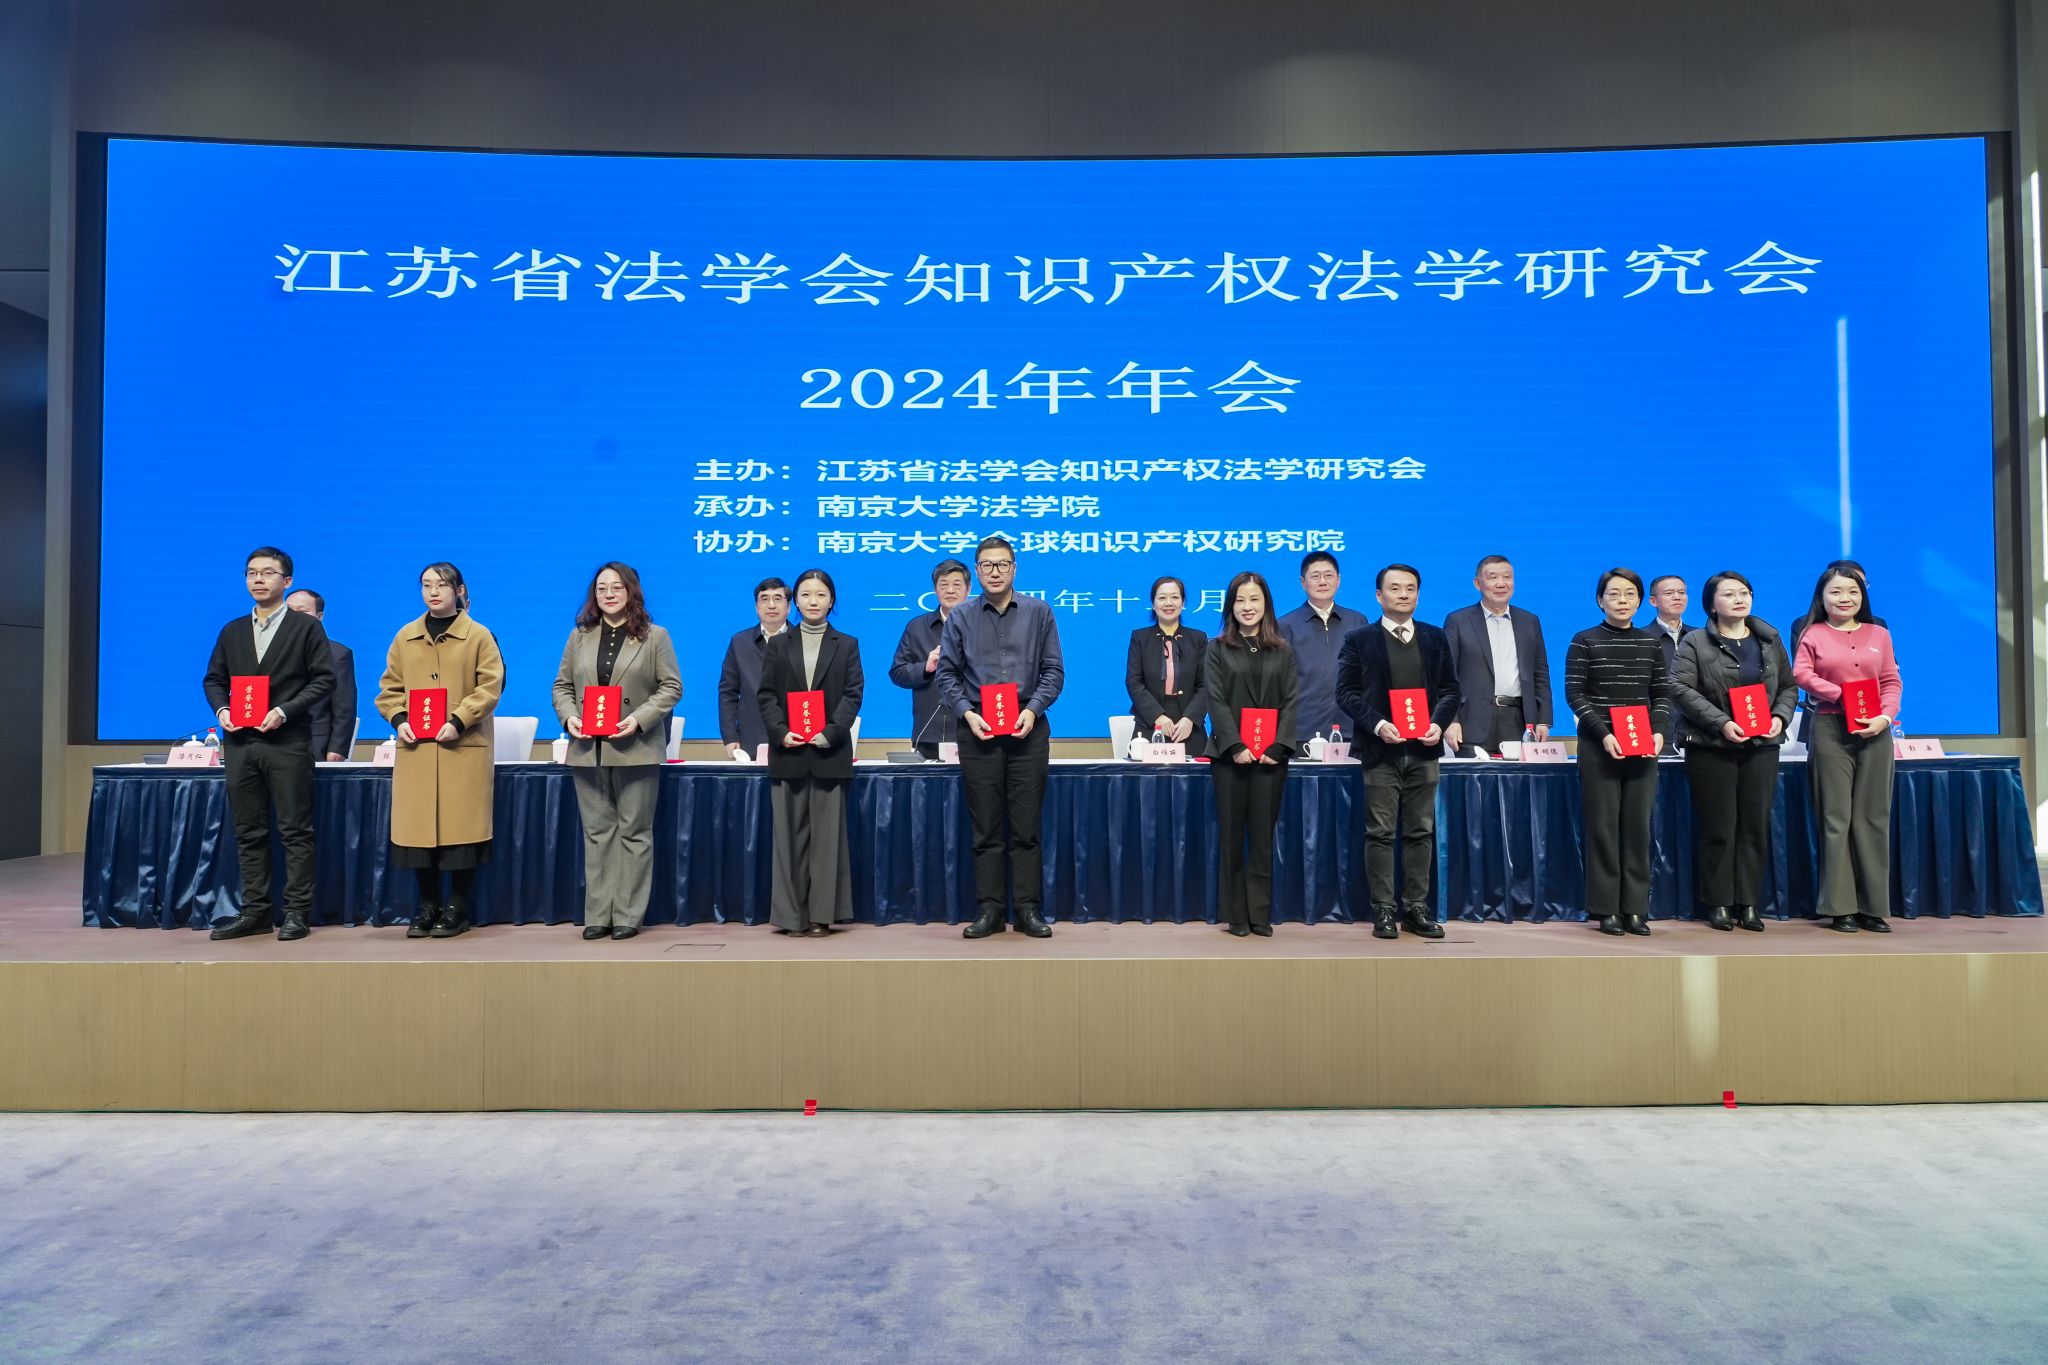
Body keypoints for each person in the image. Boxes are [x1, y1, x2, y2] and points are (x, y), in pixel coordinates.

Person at [201, 546, 335, 942]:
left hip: (287, 741)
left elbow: (324, 679)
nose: (258, 579)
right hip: (240, 742)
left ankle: (296, 912)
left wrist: (285, 710)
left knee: (295, 830)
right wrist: (223, 709)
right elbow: (214, 679)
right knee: (249, 830)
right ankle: (256, 911)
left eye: (267, 572)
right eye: (251, 573)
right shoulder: (232, 630)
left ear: (287, 581)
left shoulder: (306, 628)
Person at [936, 535, 1065, 939]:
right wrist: (967, 713)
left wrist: (1033, 709)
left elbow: (1053, 671)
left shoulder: (1039, 612)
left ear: (1014, 569)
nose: (995, 571)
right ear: (977, 570)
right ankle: (990, 910)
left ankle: (1027, 910)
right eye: (987, 565)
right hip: (978, 729)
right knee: (986, 828)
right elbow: (946, 675)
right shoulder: (961, 616)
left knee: (1026, 827)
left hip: (1028, 727)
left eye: (1002, 564)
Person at [551, 562, 683, 941]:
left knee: (634, 832)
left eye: (616, 587)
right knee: (597, 832)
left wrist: (639, 719)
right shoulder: (579, 636)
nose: (608, 594)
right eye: (601, 588)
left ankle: (627, 914)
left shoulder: (655, 636)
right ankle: (598, 914)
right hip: (587, 748)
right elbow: (561, 687)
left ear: (631, 592)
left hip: (635, 746)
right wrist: (569, 717)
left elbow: (671, 687)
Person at [376, 562, 505, 940]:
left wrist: (459, 720)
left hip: (461, 746)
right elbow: (389, 688)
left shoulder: (479, 635)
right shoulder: (405, 636)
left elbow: (490, 687)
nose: (433, 592)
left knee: (461, 833)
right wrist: (399, 718)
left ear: (460, 590)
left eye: (442, 585)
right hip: (417, 748)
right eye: (426, 585)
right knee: (418, 834)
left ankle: (457, 907)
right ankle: (427, 904)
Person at [1335, 564, 1462, 940]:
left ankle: (1417, 909)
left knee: (1421, 831)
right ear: (1379, 595)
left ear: (1418, 594)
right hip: (1380, 750)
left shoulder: (1435, 637)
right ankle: (1384, 910)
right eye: (1395, 588)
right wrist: (1377, 724)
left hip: (1424, 750)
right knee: (1380, 832)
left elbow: (1451, 690)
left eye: (1410, 588)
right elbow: (1345, 693)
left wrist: (1438, 723)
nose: (1403, 594)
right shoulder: (1359, 639)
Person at [1670, 571, 1796, 932]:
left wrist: (1780, 717)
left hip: (1761, 746)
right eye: (1728, 594)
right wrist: (1721, 722)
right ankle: (1719, 902)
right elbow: (1679, 687)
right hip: (1712, 746)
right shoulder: (1695, 641)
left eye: (1744, 592)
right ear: (1711, 604)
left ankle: (1749, 902)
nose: (1739, 599)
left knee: (1754, 825)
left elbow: (1788, 687)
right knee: (1719, 827)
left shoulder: (1769, 639)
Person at [1791, 564, 1902, 932]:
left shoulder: (1879, 634)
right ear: (1822, 597)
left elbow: (1891, 680)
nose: (1845, 598)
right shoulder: (1813, 633)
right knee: (1835, 818)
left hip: (1875, 732)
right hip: (1830, 726)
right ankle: (1841, 908)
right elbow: (1801, 673)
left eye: (1853, 591)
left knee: (1873, 817)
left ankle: (1873, 907)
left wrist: (1885, 716)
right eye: (1836, 592)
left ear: (1862, 595)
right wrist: (1841, 695)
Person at [757, 568, 865, 936]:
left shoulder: (846, 644)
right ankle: (792, 917)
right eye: (805, 595)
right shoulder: (778, 644)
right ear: (795, 602)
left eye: (820, 595)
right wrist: (780, 731)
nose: (813, 601)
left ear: (832, 600)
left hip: (828, 754)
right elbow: (766, 695)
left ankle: (821, 915)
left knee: (826, 842)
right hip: (788, 753)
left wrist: (829, 733)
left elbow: (853, 695)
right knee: (789, 840)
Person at [1564, 568, 1671, 936]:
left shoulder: (1650, 643)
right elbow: (1575, 693)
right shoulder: (1584, 640)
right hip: (1600, 748)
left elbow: (1661, 693)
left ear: (1640, 601)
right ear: (1600, 600)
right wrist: (1604, 734)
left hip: (1642, 747)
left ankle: (1635, 909)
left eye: (1629, 594)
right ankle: (1606, 908)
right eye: (1613, 594)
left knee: (1638, 828)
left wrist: (1658, 731)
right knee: (1604, 828)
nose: (1622, 601)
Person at [1207, 571, 1300, 937]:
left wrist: (1278, 745)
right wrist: (1235, 745)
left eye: (1254, 599)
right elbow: (1215, 700)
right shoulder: (1217, 648)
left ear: (1266, 604)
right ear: (1230, 606)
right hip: (1230, 758)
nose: (1247, 607)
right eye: (1240, 600)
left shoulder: (1282, 649)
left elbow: (1291, 699)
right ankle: (1236, 915)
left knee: (1263, 836)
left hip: (1271, 758)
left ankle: (1260, 914)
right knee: (1232, 835)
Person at [1442, 554, 1554, 755]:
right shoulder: (1458, 621)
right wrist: (1451, 719)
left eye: (1507, 577)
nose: (1501, 583)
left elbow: (1540, 673)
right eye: (1493, 577)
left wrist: (1543, 720)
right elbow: (1446, 676)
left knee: (1519, 776)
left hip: (1520, 722)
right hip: (1471, 722)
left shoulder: (1529, 621)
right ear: (1478, 584)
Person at [1277, 552, 1369, 743]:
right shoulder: (1285, 625)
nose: (1322, 582)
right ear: (1303, 582)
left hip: (1352, 728)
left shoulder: (1357, 621)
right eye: (1315, 576)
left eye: (1328, 575)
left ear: (1338, 580)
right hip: (1303, 731)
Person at [887, 559, 972, 759]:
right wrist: (926, 667)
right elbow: (897, 673)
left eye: (957, 584)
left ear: (968, 589)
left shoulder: (983, 626)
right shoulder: (917, 627)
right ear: (935, 589)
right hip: (928, 733)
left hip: (974, 729)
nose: (950, 590)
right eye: (944, 584)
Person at [1124, 574, 1209, 748]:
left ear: (1183, 602)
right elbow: (1133, 681)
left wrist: (1190, 718)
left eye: (1175, 597)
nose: (1168, 603)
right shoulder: (1140, 637)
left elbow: (1207, 684)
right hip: (1150, 721)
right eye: (1162, 598)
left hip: (1188, 724)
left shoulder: (1198, 638)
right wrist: (1157, 716)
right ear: (1153, 604)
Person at [718, 578, 789, 761]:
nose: (771, 605)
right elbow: (728, 692)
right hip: (750, 740)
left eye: (777, 598)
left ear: (789, 606)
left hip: (794, 739)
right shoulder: (740, 642)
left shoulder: (802, 640)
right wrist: (730, 736)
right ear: (756, 606)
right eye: (764, 599)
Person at [285, 588, 358, 761]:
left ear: (319, 616)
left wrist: (337, 748)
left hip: (315, 744)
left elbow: (344, 708)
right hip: (272, 743)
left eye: (302, 612)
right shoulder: (268, 651)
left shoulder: (337, 654)